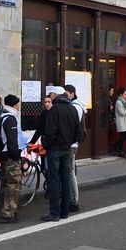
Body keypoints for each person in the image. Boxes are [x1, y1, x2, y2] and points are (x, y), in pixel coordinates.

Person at [41, 89, 81, 221]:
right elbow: (78, 130)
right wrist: (71, 141)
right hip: (67, 148)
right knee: (65, 179)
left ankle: (54, 213)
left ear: (55, 97)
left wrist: (46, 144)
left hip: (55, 149)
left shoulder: (54, 110)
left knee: (54, 180)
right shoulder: (72, 109)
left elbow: (50, 131)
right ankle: (64, 212)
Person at [0, 95, 24, 224]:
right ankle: (9, 213)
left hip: (2, 154)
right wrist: (16, 155)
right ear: (15, 105)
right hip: (10, 154)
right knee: (14, 184)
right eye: (18, 104)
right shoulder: (11, 118)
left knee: (5, 182)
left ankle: (4, 208)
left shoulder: (2, 116)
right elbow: (12, 140)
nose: (19, 106)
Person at [64, 84, 86, 212]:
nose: (65, 96)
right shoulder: (75, 105)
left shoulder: (75, 107)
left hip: (71, 144)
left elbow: (72, 125)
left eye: (67, 93)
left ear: (72, 93)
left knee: (70, 171)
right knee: (70, 170)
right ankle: (71, 198)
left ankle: (74, 200)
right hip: (71, 143)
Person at [113, 87, 126, 158]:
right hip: (121, 122)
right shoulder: (118, 102)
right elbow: (122, 113)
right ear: (121, 95)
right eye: (125, 94)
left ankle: (115, 145)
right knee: (123, 136)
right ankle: (120, 151)